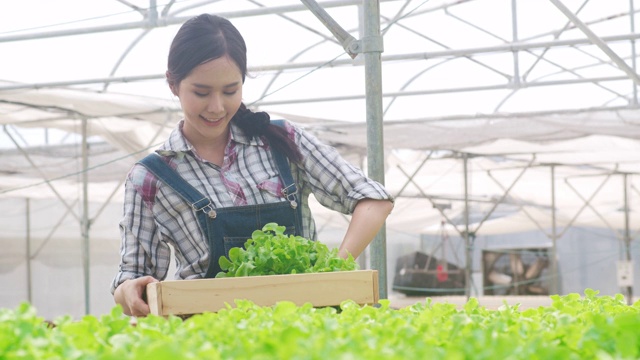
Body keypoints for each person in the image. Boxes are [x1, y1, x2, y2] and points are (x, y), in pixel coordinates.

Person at [110, 13, 394, 317]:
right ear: (173, 84)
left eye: (230, 91)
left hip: (305, 329)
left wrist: (331, 271)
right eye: (201, 93)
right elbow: (133, 276)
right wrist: (128, 292)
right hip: (210, 336)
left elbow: (373, 200)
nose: (217, 107)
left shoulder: (282, 140)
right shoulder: (152, 177)